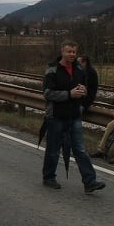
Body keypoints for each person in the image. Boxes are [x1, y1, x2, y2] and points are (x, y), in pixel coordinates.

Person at [41, 40, 106, 193]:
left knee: (80, 149)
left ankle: (90, 181)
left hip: (74, 114)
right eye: (69, 51)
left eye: (74, 52)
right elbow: (48, 93)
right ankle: (49, 177)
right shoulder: (52, 70)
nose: (72, 54)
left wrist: (83, 91)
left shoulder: (78, 69)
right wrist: (69, 94)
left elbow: (84, 88)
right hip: (56, 115)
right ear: (62, 52)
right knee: (53, 148)